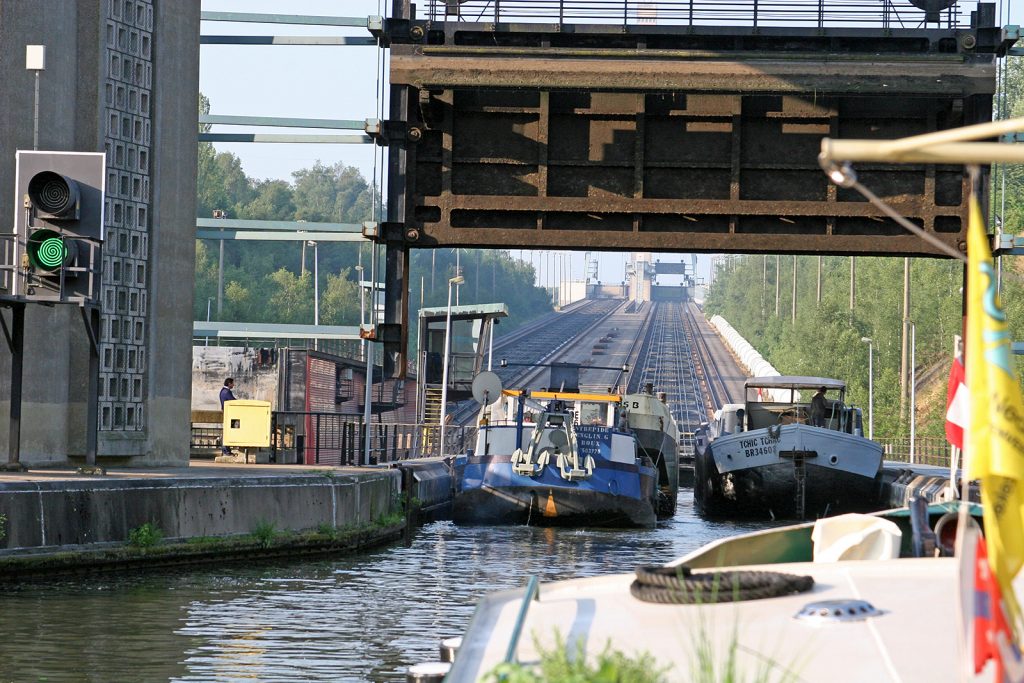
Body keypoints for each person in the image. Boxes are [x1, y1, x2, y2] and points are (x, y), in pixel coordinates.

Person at [219, 378, 236, 455]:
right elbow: (233, 401)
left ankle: (226, 449)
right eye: (232, 383)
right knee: (228, 431)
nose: (233, 385)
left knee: (227, 431)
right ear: (229, 383)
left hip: (226, 412)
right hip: (229, 413)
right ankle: (226, 450)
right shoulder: (227, 392)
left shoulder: (223, 391)